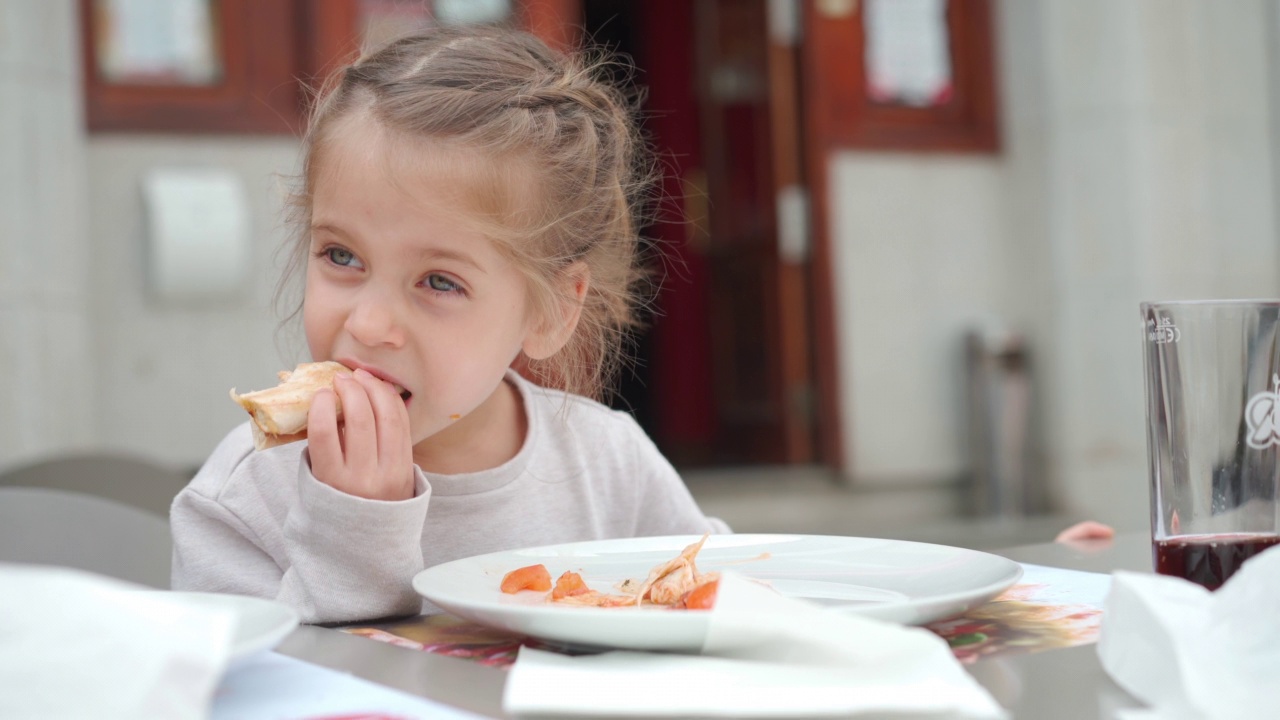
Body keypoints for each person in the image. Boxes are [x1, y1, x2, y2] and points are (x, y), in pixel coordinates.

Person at [170, 25, 729, 624]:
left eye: (439, 282)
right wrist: (355, 531)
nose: (368, 322)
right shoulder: (243, 498)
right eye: (341, 256)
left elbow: (717, 608)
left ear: (552, 311)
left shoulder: (611, 472)